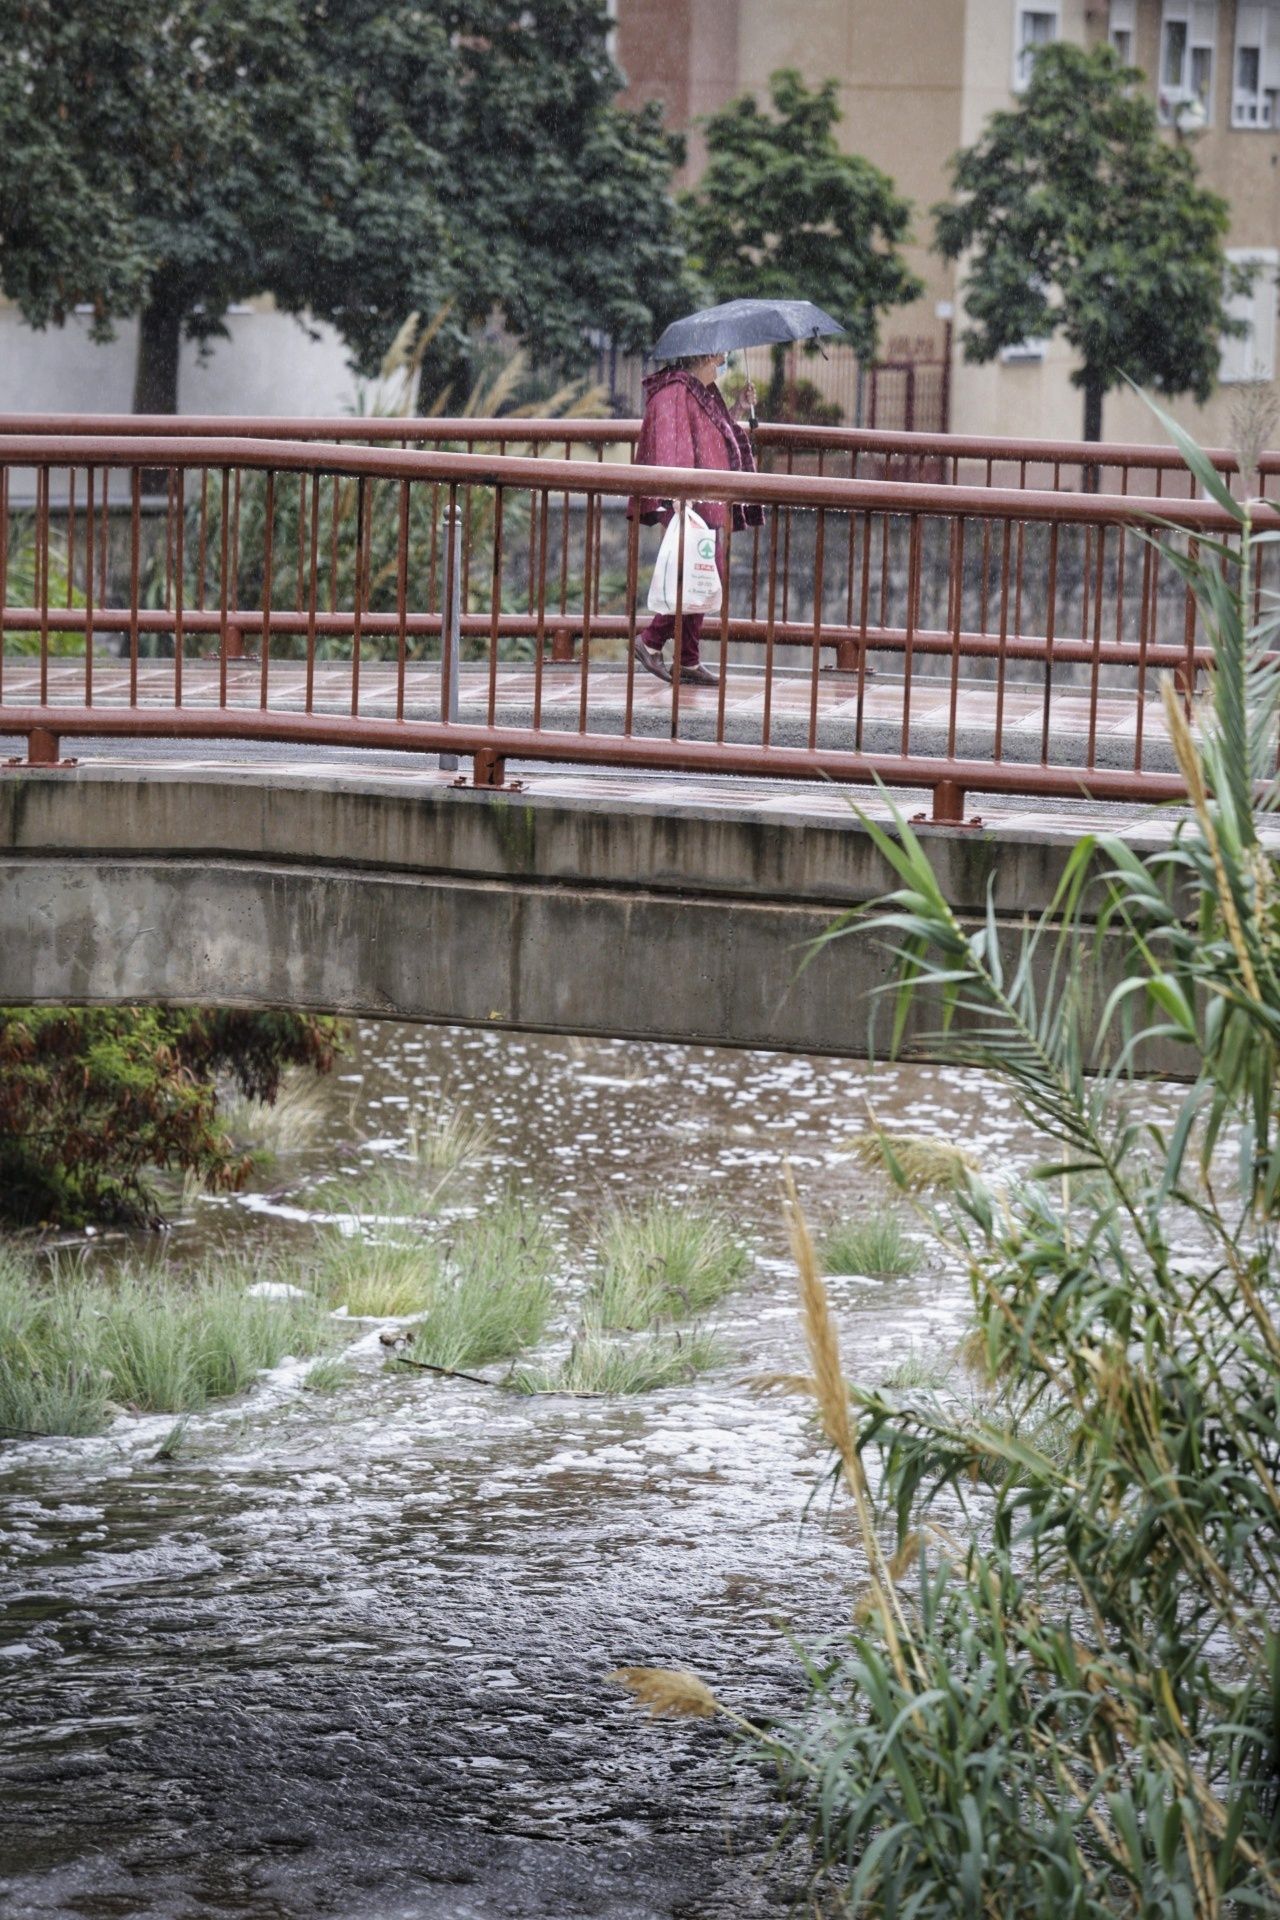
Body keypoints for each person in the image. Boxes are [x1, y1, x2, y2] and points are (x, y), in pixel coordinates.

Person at [629, 353, 762, 686]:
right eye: (721, 354)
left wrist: (738, 408)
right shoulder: (676, 391)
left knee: (699, 573)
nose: (724, 359)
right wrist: (679, 495)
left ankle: (687, 659)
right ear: (709, 355)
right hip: (687, 500)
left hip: (701, 498)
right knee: (701, 572)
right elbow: (672, 445)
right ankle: (651, 640)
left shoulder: (700, 390)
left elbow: (714, 434)